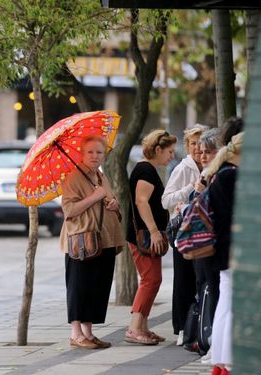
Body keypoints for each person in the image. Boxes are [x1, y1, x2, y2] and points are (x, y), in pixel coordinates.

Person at [59, 136, 125, 349]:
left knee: (97, 286)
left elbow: (108, 198)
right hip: (82, 240)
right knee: (80, 285)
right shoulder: (73, 178)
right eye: (90, 152)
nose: (95, 156)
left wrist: (114, 204)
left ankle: (88, 332)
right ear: (81, 153)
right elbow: (69, 210)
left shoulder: (100, 176)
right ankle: (76, 334)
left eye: (99, 152)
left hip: (104, 239)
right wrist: (95, 197)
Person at [125, 129, 177, 345]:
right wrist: (155, 232)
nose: (172, 156)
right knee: (151, 279)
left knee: (152, 279)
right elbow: (141, 201)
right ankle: (134, 328)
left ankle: (143, 327)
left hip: (145, 235)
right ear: (158, 149)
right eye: (170, 151)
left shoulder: (147, 169)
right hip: (143, 237)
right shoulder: (145, 170)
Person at [161, 124, 208, 344]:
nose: (197, 148)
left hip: (204, 231)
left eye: (200, 142)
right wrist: (190, 188)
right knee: (183, 280)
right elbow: (166, 200)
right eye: (192, 143)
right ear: (187, 146)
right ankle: (181, 328)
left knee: (201, 279)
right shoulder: (183, 168)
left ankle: (198, 325)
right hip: (184, 230)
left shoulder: (211, 165)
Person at [205, 132, 244, 375]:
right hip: (234, 246)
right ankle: (229, 362)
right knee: (233, 305)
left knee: (225, 302)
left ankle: (220, 360)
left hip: (220, 247)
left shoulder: (218, 174)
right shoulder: (234, 176)